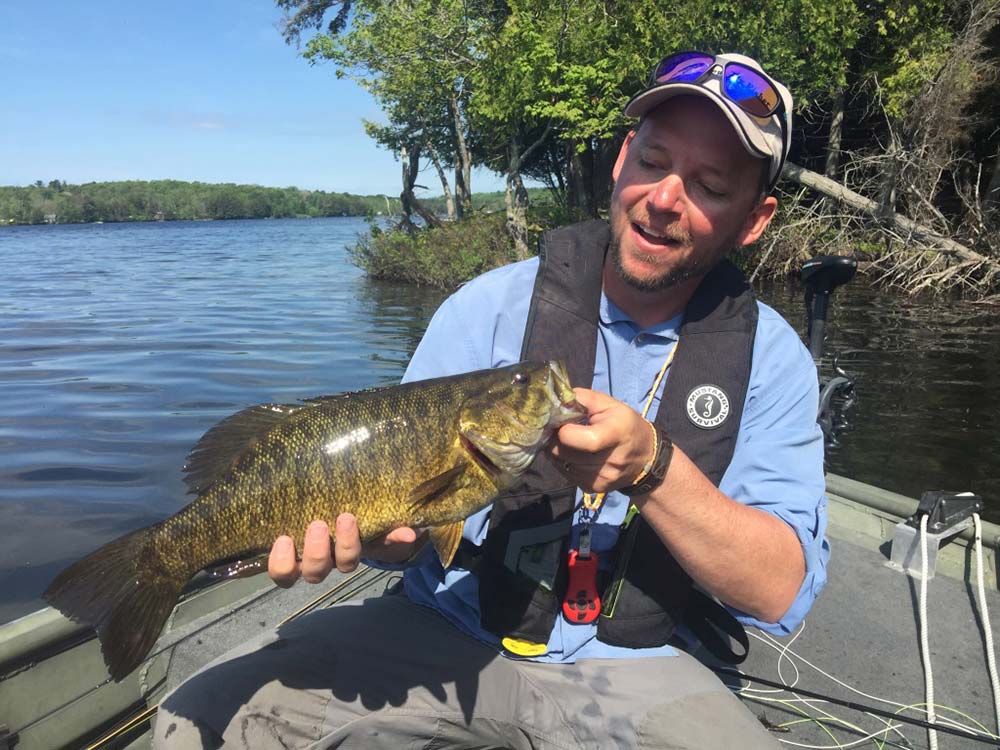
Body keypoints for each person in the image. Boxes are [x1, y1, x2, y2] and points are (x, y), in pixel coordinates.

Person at [154, 50, 828, 749]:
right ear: (623, 160)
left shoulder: (772, 360)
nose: (664, 198)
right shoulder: (488, 307)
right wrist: (381, 543)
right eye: (655, 162)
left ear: (755, 219)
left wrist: (652, 468)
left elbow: (779, 592)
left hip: (640, 666)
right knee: (200, 718)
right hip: (450, 626)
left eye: (711, 185)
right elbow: (403, 533)